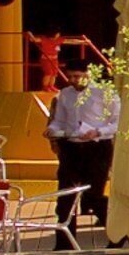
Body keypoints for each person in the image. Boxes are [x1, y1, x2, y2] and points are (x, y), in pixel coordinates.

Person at [45, 69, 119, 232]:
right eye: (70, 76)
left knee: (93, 196)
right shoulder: (65, 94)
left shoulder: (105, 93)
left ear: (89, 74)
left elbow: (117, 122)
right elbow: (59, 121)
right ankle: (64, 246)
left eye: (77, 76)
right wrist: (52, 129)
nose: (73, 80)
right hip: (71, 147)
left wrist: (98, 132)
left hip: (97, 147)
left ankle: (118, 231)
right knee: (66, 197)